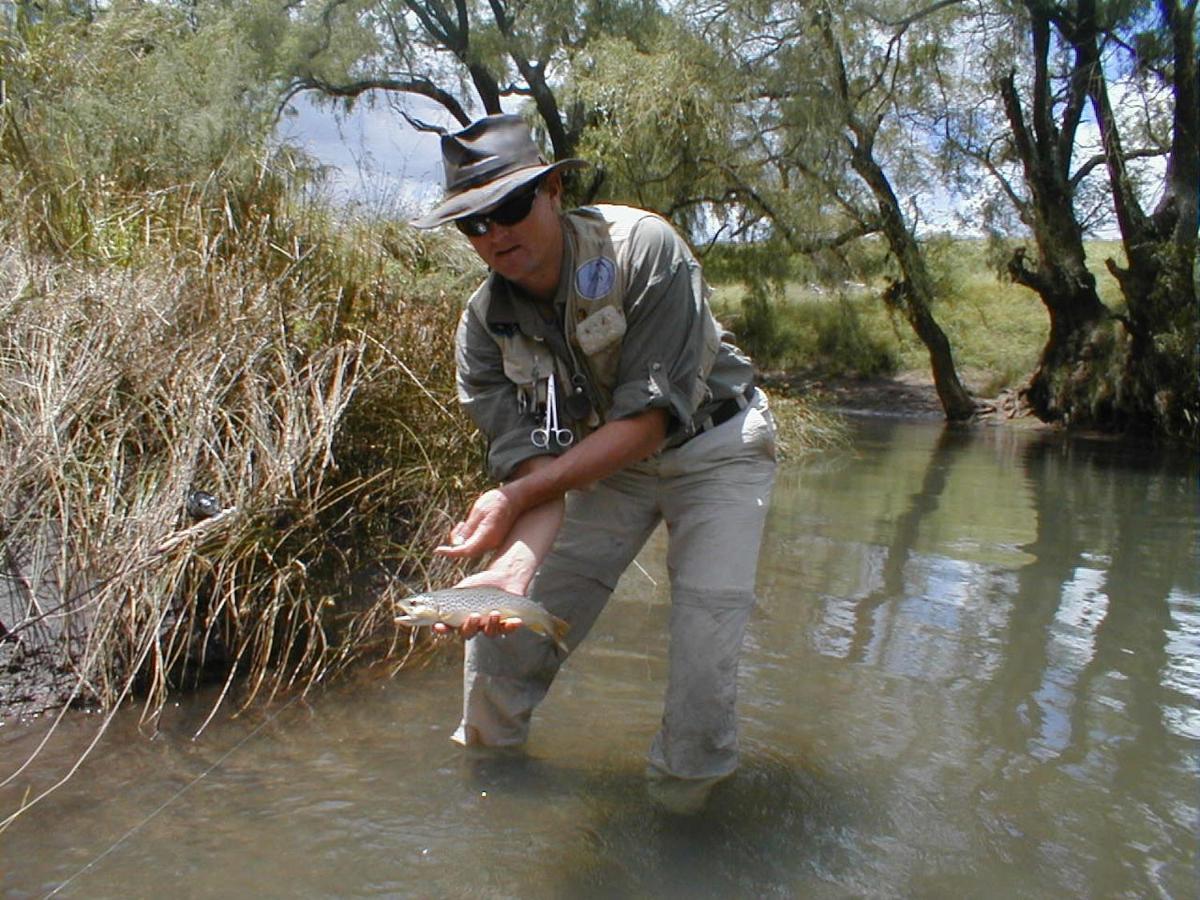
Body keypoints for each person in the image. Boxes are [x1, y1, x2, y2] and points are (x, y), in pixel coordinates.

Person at [410, 113, 777, 812]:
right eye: (472, 224)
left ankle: (682, 819)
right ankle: (492, 799)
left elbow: (646, 424)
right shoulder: (484, 327)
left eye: (508, 208)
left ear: (552, 190)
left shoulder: (644, 250)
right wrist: (516, 566)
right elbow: (534, 462)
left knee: (703, 662)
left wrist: (518, 505)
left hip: (718, 448)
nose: (493, 235)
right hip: (601, 466)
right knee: (499, 642)